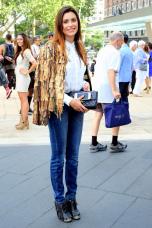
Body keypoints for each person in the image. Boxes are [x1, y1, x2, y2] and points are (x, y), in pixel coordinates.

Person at [33, 6, 90, 223]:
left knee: (73, 158)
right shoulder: (50, 48)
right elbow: (47, 84)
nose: (70, 24)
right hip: (60, 106)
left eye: (73, 20)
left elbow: (77, 76)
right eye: (66, 21)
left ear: (78, 22)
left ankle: (71, 198)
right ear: (60, 24)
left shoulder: (79, 46)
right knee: (59, 158)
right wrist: (69, 101)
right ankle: (59, 201)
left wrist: (84, 85)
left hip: (78, 103)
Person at [94, 31, 127, 152]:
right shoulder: (114, 52)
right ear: (118, 40)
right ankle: (114, 143)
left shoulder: (102, 50)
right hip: (108, 87)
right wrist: (114, 90)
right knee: (116, 112)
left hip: (98, 87)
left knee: (98, 113)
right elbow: (111, 71)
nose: (122, 45)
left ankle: (94, 142)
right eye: (122, 42)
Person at [15, 33, 37, 130]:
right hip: (20, 78)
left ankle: (24, 122)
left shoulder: (27, 51)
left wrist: (27, 71)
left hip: (23, 78)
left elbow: (35, 63)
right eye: (17, 39)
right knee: (22, 100)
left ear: (24, 40)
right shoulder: (21, 51)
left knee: (24, 100)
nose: (19, 41)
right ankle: (24, 121)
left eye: (20, 39)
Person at [28, 35, 41, 114]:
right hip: (33, 71)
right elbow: (33, 57)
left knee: (33, 89)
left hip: (38, 70)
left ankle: (30, 107)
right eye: (39, 40)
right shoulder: (32, 47)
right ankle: (27, 107)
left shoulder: (38, 47)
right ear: (35, 40)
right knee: (31, 89)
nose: (40, 41)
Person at [119, 34, 133, 101]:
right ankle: (125, 111)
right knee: (125, 99)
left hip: (120, 78)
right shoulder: (129, 50)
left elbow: (118, 65)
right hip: (127, 77)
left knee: (119, 100)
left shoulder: (121, 51)